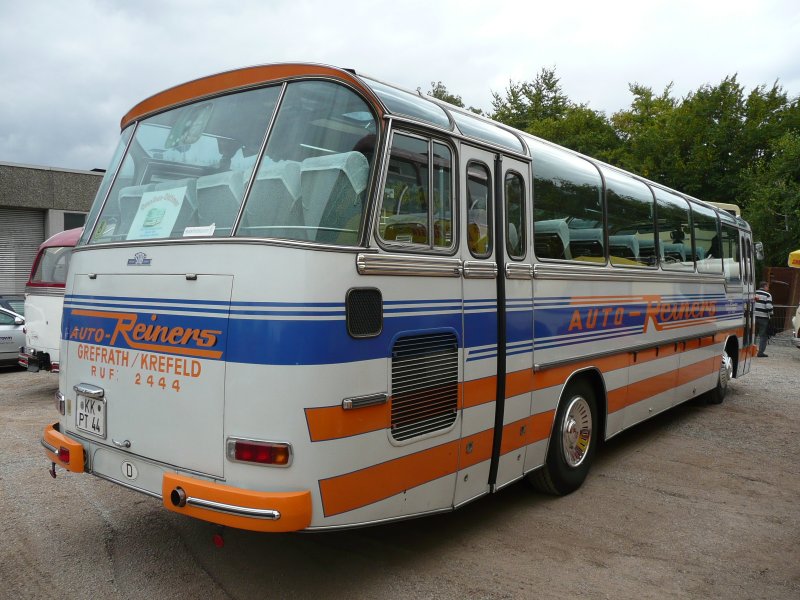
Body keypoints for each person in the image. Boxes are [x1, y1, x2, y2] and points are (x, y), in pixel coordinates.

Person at [754, 281, 773, 357]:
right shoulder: (768, 295)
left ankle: (751, 351)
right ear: (765, 286)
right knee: (763, 336)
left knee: (753, 334)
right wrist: (771, 314)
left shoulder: (754, 293)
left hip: (754, 317)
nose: (768, 288)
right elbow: (768, 306)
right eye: (767, 286)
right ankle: (760, 353)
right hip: (763, 318)